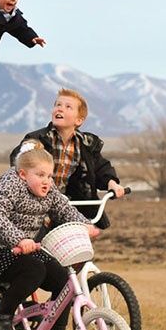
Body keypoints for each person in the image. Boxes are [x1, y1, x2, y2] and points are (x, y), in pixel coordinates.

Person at [0, 141, 99, 330]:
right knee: (34, 270)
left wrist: (85, 225)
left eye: (49, 176)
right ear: (22, 174)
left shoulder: (48, 189)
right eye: (40, 175)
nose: (47, 181)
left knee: (63, 279)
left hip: (25, 251)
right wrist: (19, 240)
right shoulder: (10, 184)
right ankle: (3, 313)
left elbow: (64, 208)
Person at [10, 88, 124, 229]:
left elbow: (100, 167)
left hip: (67, 204)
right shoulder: (38, 139)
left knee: (78, 243)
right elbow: (20, 160)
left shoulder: (86, 144)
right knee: (35, 245)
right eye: (58, 105)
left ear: (79, 120)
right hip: (37, 203)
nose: (60, 109)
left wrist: (111, 183)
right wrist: (27, 152)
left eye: (68, 107)